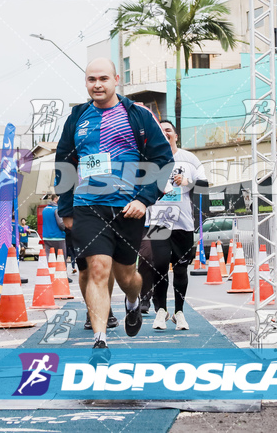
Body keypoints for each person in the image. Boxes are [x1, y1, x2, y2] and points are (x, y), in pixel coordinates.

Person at [55, 58, 173, 361]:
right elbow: (64, 163)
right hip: (88, 206)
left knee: (126, 275)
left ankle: (133, 300)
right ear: (86, 82)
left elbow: (163, 162)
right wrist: (66, 208)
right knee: (97, 269)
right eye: (92, 79)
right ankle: (100, 340)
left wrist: (143, 199)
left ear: (116, 79)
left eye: (103, 79)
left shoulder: (138, 115)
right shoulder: (77, 118)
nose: (98, 84)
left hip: (127, 210)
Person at [143, 120, 208, 331]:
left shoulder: (189, 159)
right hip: (159, 221)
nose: (164, 134)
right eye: (160, 131)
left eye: (168, 130)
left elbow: (205, 187)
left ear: (176, 136)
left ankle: (179, 312)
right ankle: (161, 310)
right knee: (160, 265)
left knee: (181, 269)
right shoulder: (150, 159)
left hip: (183, 223)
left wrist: (187, 182)